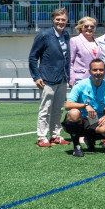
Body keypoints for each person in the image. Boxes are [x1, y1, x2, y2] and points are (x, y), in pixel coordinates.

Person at [29, 8, 71, 148]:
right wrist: (36, 76)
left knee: (58, 109)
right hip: (47, 78)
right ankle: (42, 137)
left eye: (63, 19)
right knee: (45, 109)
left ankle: (55, 136)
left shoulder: (66, 35)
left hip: (63, 78)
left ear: (67, 20)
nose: (60, 22)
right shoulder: (44, 36)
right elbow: (33, 57)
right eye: (58, 19)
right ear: (52, 20)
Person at [63, 59, 105, 157]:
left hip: (95, 119)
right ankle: (77, 146)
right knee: (74, 113)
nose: (98, 73)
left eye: (101, 70)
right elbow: (68, 105)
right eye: (95, 70)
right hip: (80, 119)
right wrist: (85, 105)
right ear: (90, 71)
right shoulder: (80, 85)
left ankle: (90, 139)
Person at [69, 16, 100, 86]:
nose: (89, 28)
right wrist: (71, 79)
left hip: (95, 79)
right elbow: (70, 62)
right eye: (86, 26)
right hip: (80, 78)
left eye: (92, 26)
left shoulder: (97, 42)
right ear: (81, 27)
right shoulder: (75, 40)